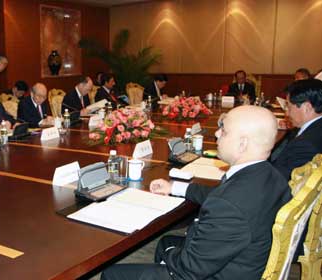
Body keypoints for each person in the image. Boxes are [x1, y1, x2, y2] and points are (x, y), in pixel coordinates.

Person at [101, 105, 292, 280]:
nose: (216, 134)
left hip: (210, 274)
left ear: (243, 144)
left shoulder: (228, 206)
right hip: (246, 262)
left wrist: (168, 257)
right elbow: (222, 195)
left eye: (224, 131)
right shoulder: (272, 176)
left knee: (112, 274)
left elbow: (190, 269)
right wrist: (175, 187)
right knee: (166, 241)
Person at [271, 79, 322, 180]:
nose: (287, 114)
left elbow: (279, 182)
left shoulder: (305, 144)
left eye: (289, 107)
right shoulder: (315, 128)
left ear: (307, 107)